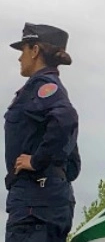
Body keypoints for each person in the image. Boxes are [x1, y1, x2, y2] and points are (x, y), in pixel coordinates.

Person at [5, 23, 81, 242]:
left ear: (35, 50)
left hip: (35, 205)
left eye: (23, 50)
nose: (20, 58)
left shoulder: (43, 85)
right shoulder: (50, 88)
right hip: (44, 200)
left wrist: (38, 162)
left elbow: (65, 118)